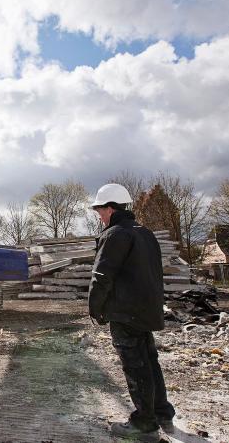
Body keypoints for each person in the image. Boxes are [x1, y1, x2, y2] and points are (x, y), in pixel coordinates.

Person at [87, 183, 176, 440]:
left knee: (135, 366)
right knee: (149, 361)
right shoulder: (145, 233)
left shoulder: (115, 234)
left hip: (125, 311)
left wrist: (95, 309)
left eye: (100, 210)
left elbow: (102, 275)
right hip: (146, 309)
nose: (99, 216)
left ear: (111, 208)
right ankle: (162, 412)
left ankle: (144, 424)